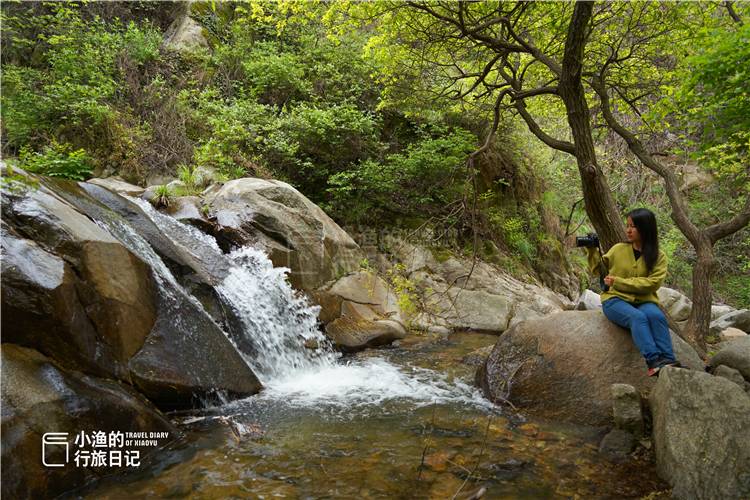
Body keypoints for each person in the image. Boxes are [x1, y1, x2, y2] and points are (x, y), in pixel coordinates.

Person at [587, 208, 680, 377]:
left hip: (644, 300)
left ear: (645, 228)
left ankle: (668, 359)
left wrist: (618, 281)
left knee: (656, 316)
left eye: (633, 226)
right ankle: (653, 362)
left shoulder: (659, 256)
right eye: (627, 225)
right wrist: (592, 250)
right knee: (637, 318)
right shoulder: (618, 249)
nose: (628, 230)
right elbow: (598, 270)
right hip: (614, 299)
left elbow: (652, 284)